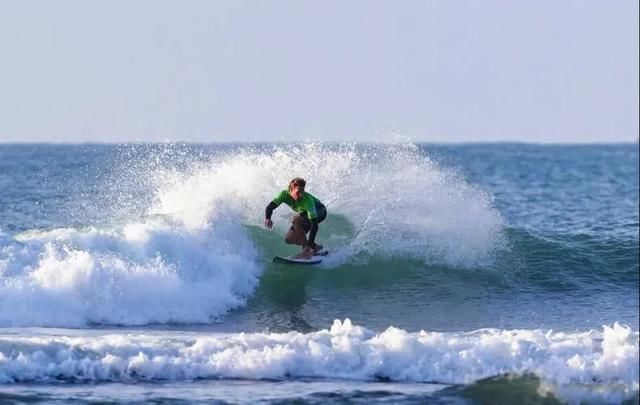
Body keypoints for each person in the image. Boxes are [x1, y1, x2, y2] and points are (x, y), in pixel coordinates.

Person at [264, 177, 327, 259]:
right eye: (298, 192)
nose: (301, 195)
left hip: (320, 211)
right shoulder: (284, 195)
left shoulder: (307, 200)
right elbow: (270, 207)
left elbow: (314, 226)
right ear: (291, 189)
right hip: (305, 214)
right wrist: (268, 218)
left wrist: (307, 247)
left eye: (302, 191)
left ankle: (306, 251)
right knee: (289, 239)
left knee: (296, 220)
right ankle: (316, 248)